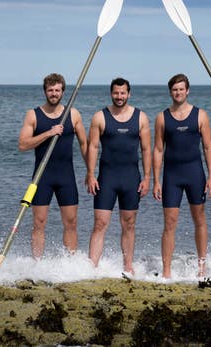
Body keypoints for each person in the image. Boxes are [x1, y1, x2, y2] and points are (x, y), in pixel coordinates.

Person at [85, 77, 152, 274]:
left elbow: (147, 149)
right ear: (111, 93)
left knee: (129, 224)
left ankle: (128, 267)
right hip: (107, 178)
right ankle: (92, 268)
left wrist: (148, 178)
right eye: (116, 93)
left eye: (123, 93)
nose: (119, 96)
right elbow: (93, 147)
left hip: (131, 178)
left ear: (129, 94)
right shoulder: (100, 117)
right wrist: (90, 174)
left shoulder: (140, 118)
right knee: (100, 223)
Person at [18, 73, 87, 259]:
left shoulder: (73, 114)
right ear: (45, 91)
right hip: (42, 177)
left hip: (66, 176)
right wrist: (49, 133)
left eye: (57, 90)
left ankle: (70, 263)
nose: (54, 93)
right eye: (50, 90)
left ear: (63, 92)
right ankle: (36, 264)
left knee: (71, 222)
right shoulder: (33, 115)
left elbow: (84, 144)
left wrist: (90, 171)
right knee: (39, 222)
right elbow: (23, 144)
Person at [152, 74, 211, 278]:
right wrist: (156, 181)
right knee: (169, 223)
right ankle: (167, 271)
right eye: (174, 89)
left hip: (195, 174)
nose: (178, 92)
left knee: (200, 220)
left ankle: (201, 267)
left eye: (181, 89)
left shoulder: (200, 115)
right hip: (172, 177)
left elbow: (207, 147)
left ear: (187, 91)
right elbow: (158, 150)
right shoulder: (162, 117)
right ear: (170, 92)